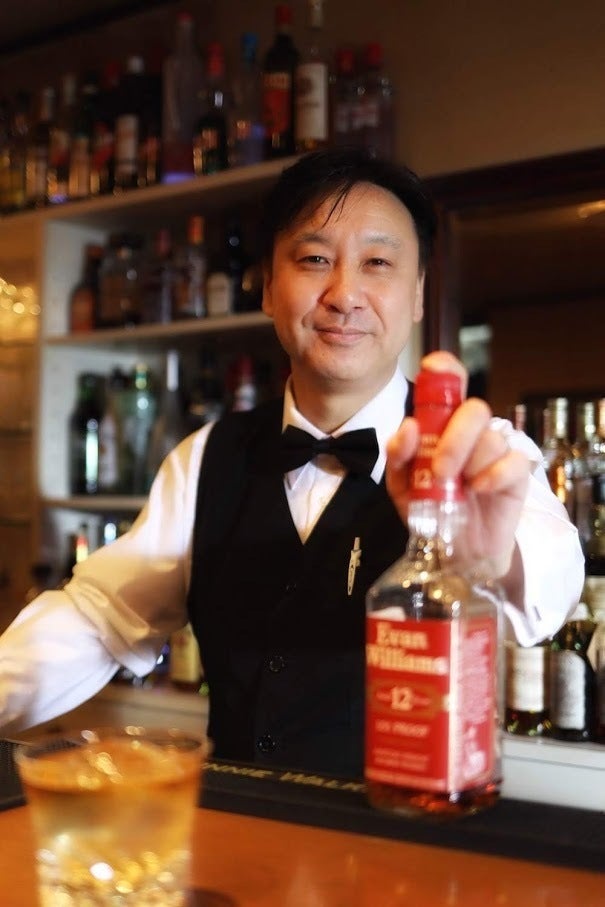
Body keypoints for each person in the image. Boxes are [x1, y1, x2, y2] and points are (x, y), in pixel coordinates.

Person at [0, 149, 583, 777]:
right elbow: (96, 617)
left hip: (405, 826)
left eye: (378, 263)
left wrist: (489, 561)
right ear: (268, 288)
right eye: (314, 260)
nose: (345, 295)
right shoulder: (204, 458)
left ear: (417, 294)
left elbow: (552, 580)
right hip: (240, 824)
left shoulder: (479, 451)